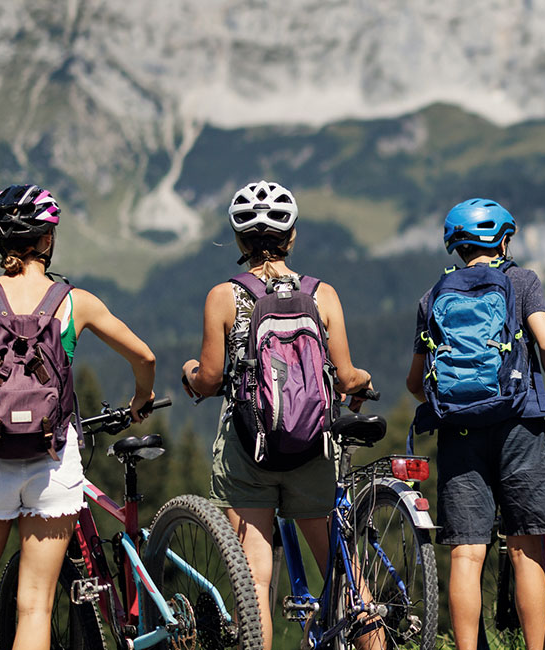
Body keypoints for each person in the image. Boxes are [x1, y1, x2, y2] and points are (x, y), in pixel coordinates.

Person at [0, 184, 157, 650]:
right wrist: (141, 397)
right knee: (35, 605)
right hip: (53, 460)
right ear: (47, 240)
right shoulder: (74, 302)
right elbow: (145, 357)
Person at [181, 180, 374, 650]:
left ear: (239, 240)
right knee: (344, 574)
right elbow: (347, 377)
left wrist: (188, 372)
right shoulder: (321, 294)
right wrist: (364, 382)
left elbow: (208, 380)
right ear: (291, 238)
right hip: (311, 450)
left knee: (256, 586)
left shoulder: (223, 296)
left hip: (250, 450)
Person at [404, 198, 545, 650]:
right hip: (518, 423)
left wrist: (449, 401)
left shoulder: (433, 296)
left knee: (467, 551)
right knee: (525, 547)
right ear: (503, 239)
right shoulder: (522, 281)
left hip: (459, 432)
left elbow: (415, 381)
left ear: (454, 245)